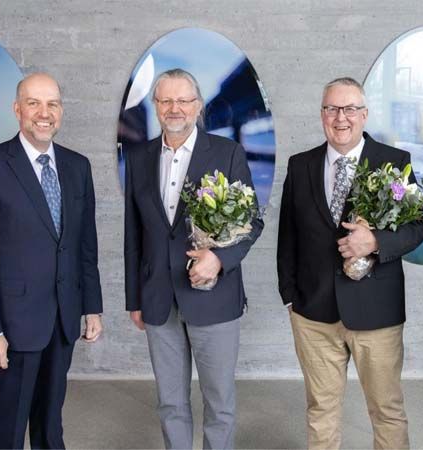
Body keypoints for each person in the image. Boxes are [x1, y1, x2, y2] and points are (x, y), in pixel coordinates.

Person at [277, 77, 423, 449]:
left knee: (386, 410)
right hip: (313, 314)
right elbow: (288, 236)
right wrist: (292, 298)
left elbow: (418, 227)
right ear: (322, 115)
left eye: (348, 109)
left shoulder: (395, 162)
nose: (340, 118)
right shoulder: (300, 165)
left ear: (364, 114)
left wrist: (376, 241)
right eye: (331, 109)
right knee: (321, 410)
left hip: (376, 313)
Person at [0, 72, 103, 449]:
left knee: (50, 425)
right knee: (8, 427)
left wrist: (92, 308)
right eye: (34, 103)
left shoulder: (77, 166)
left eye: (52, 104)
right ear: (17, 109)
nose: (44, 113)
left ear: (61, 111)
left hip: (63, 320)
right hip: (12, 324)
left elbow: (85, 245)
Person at [124, 68, 263, 449]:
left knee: (219, 403)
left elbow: (252, 222)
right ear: (155, 105)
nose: (175, 108)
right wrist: (134, 299)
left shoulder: (227, 152)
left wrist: (219, 259)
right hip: (157, 298)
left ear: (198, 106)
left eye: (184, 100)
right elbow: (133, 234)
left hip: (213, 295)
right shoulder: (138, 157)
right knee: (170, 402)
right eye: (166, 100)